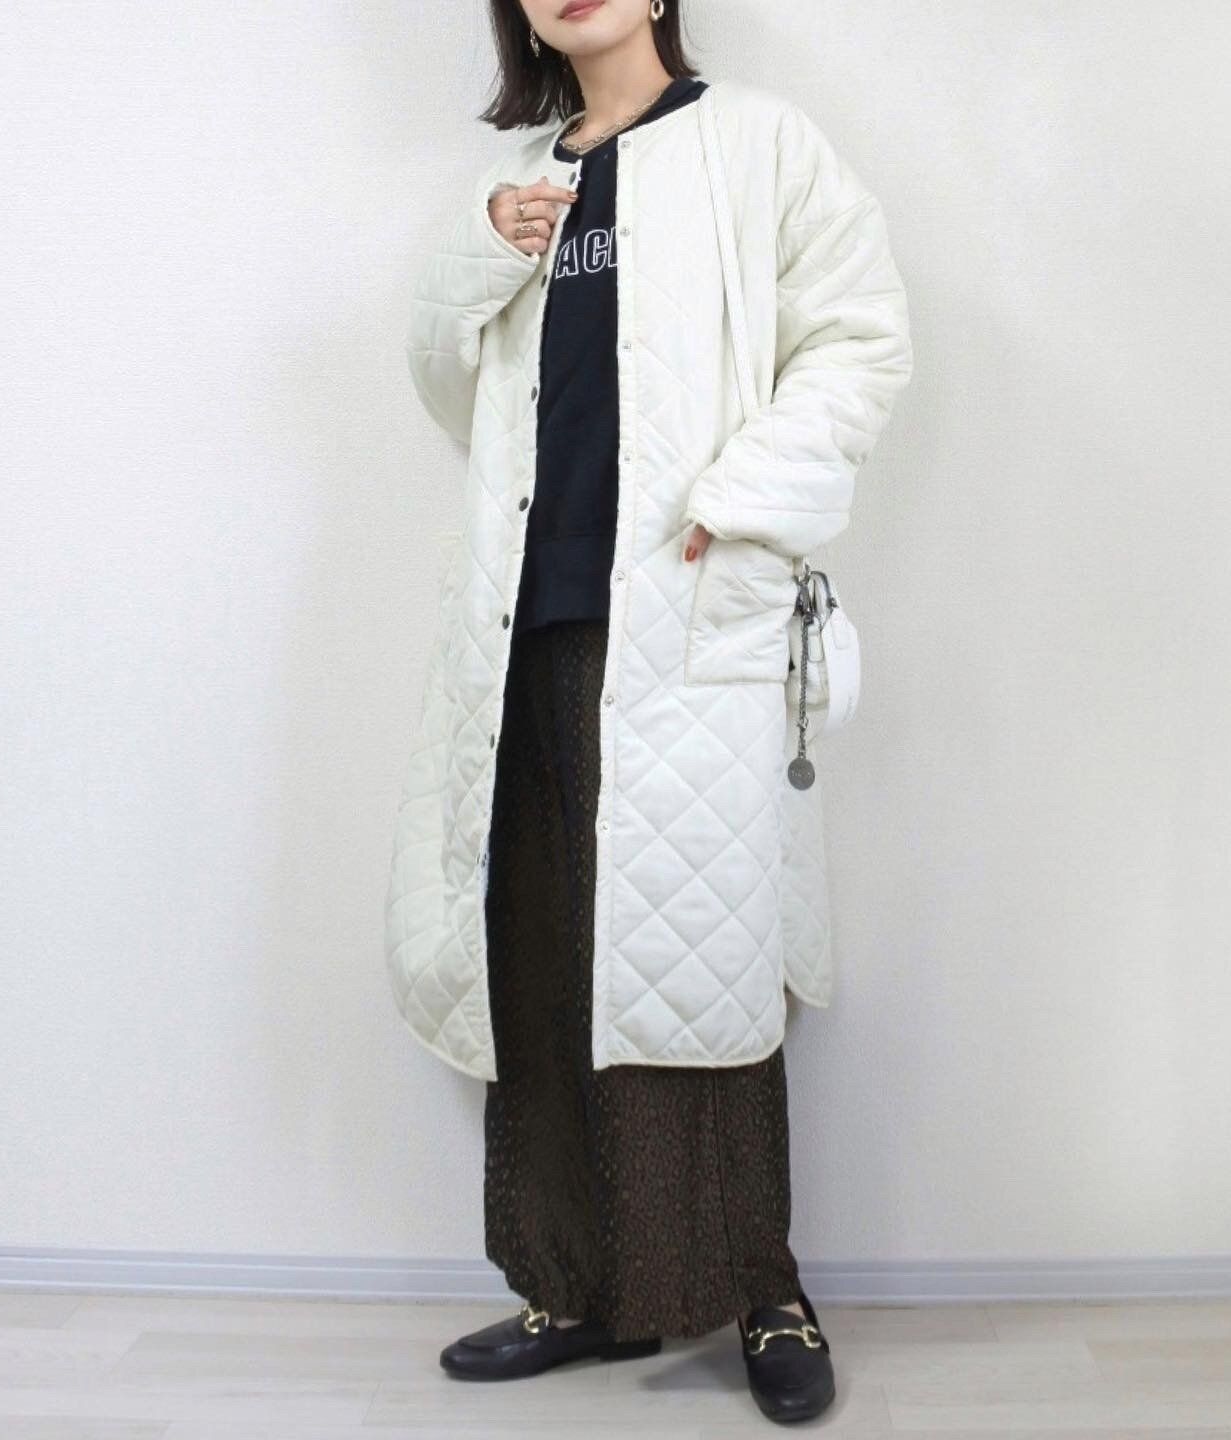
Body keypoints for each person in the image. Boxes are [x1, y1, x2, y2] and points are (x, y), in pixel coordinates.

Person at [385, 0, 912, 1423]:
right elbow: (450, 391)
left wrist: (744, 500)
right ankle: (573, 1288)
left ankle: (762, 1290)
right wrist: (479, 255)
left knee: (704, 959)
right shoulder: (522, 184)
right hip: (528, 623)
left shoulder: (761, 143)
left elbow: (861, 341)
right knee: (539, 957)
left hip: (686, 621)